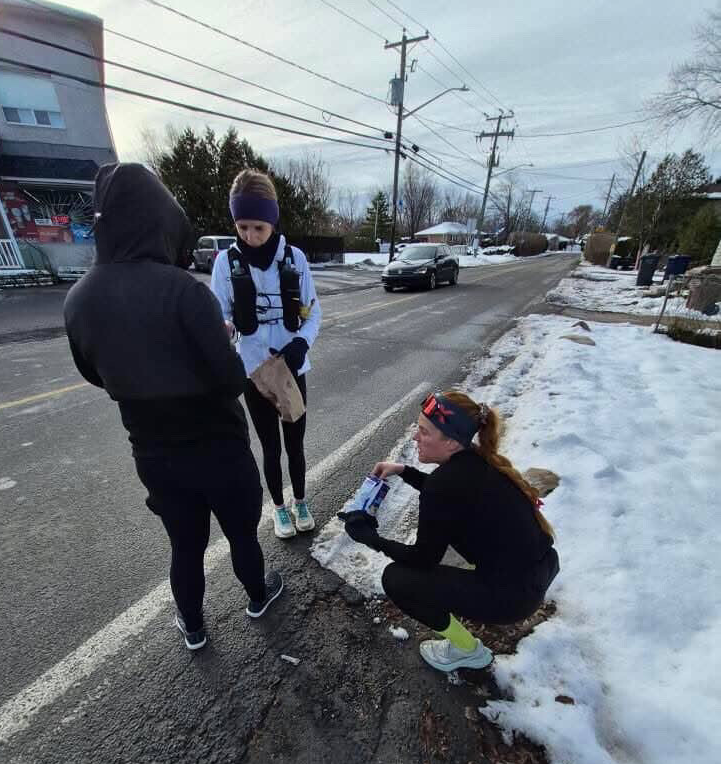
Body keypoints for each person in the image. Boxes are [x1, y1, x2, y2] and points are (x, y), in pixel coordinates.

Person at [64, 163, 283, 652]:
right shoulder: (185, 292)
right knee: (241, 535)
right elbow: (231, 381)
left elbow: (94, 373)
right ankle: (257, 595)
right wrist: (222, 340)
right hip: (219, 447)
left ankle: (194, 626)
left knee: (185, 545)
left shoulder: (79, 300)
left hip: (155, 454)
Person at [340, 390, 559, 674]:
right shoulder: (477, 459)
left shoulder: (445, 483)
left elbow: (422, 558)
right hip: (535, 574)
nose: (415, 437)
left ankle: (467, 650)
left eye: (424, 432)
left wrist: (370, 538)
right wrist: (404, 471)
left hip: (512, 597)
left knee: (397, 579)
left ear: (452, 441)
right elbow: (446, 493)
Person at [211, 169, 322, 540]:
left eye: (258, 227)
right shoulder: (226, 263)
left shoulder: (294, 259)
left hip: (290, 369)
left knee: (295, 444)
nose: (250, 236)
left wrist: (302, 342)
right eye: (242, 227)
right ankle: (278, 508)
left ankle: (301, 501)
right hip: (254, 370)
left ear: (272, 221)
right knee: (270, 447)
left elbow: (312, 311)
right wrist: (223, 328)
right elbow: (220, 312)